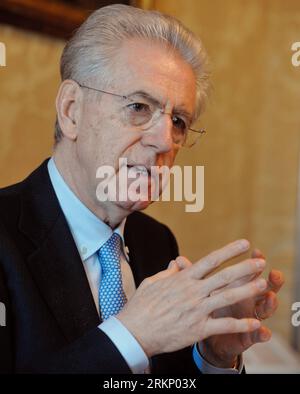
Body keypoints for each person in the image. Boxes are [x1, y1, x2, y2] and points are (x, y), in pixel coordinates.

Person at [0, 4, 284, 374]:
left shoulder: (157, 243)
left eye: (179, 121)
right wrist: (131, 336)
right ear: (72, 111)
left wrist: (214, 357)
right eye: (138, 106)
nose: (165, 140)